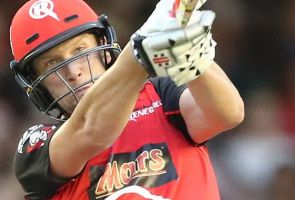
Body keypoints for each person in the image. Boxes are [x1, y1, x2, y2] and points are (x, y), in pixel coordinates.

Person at [9, 0, 244, 199]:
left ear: (103, 48)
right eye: (52, 64)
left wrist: (195, 57)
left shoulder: (160, 94)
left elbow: (228, 114)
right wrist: (138, 51)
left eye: (80, 51)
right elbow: (92, 129)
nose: (73, 71)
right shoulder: (36, 147)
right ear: (35, 81)